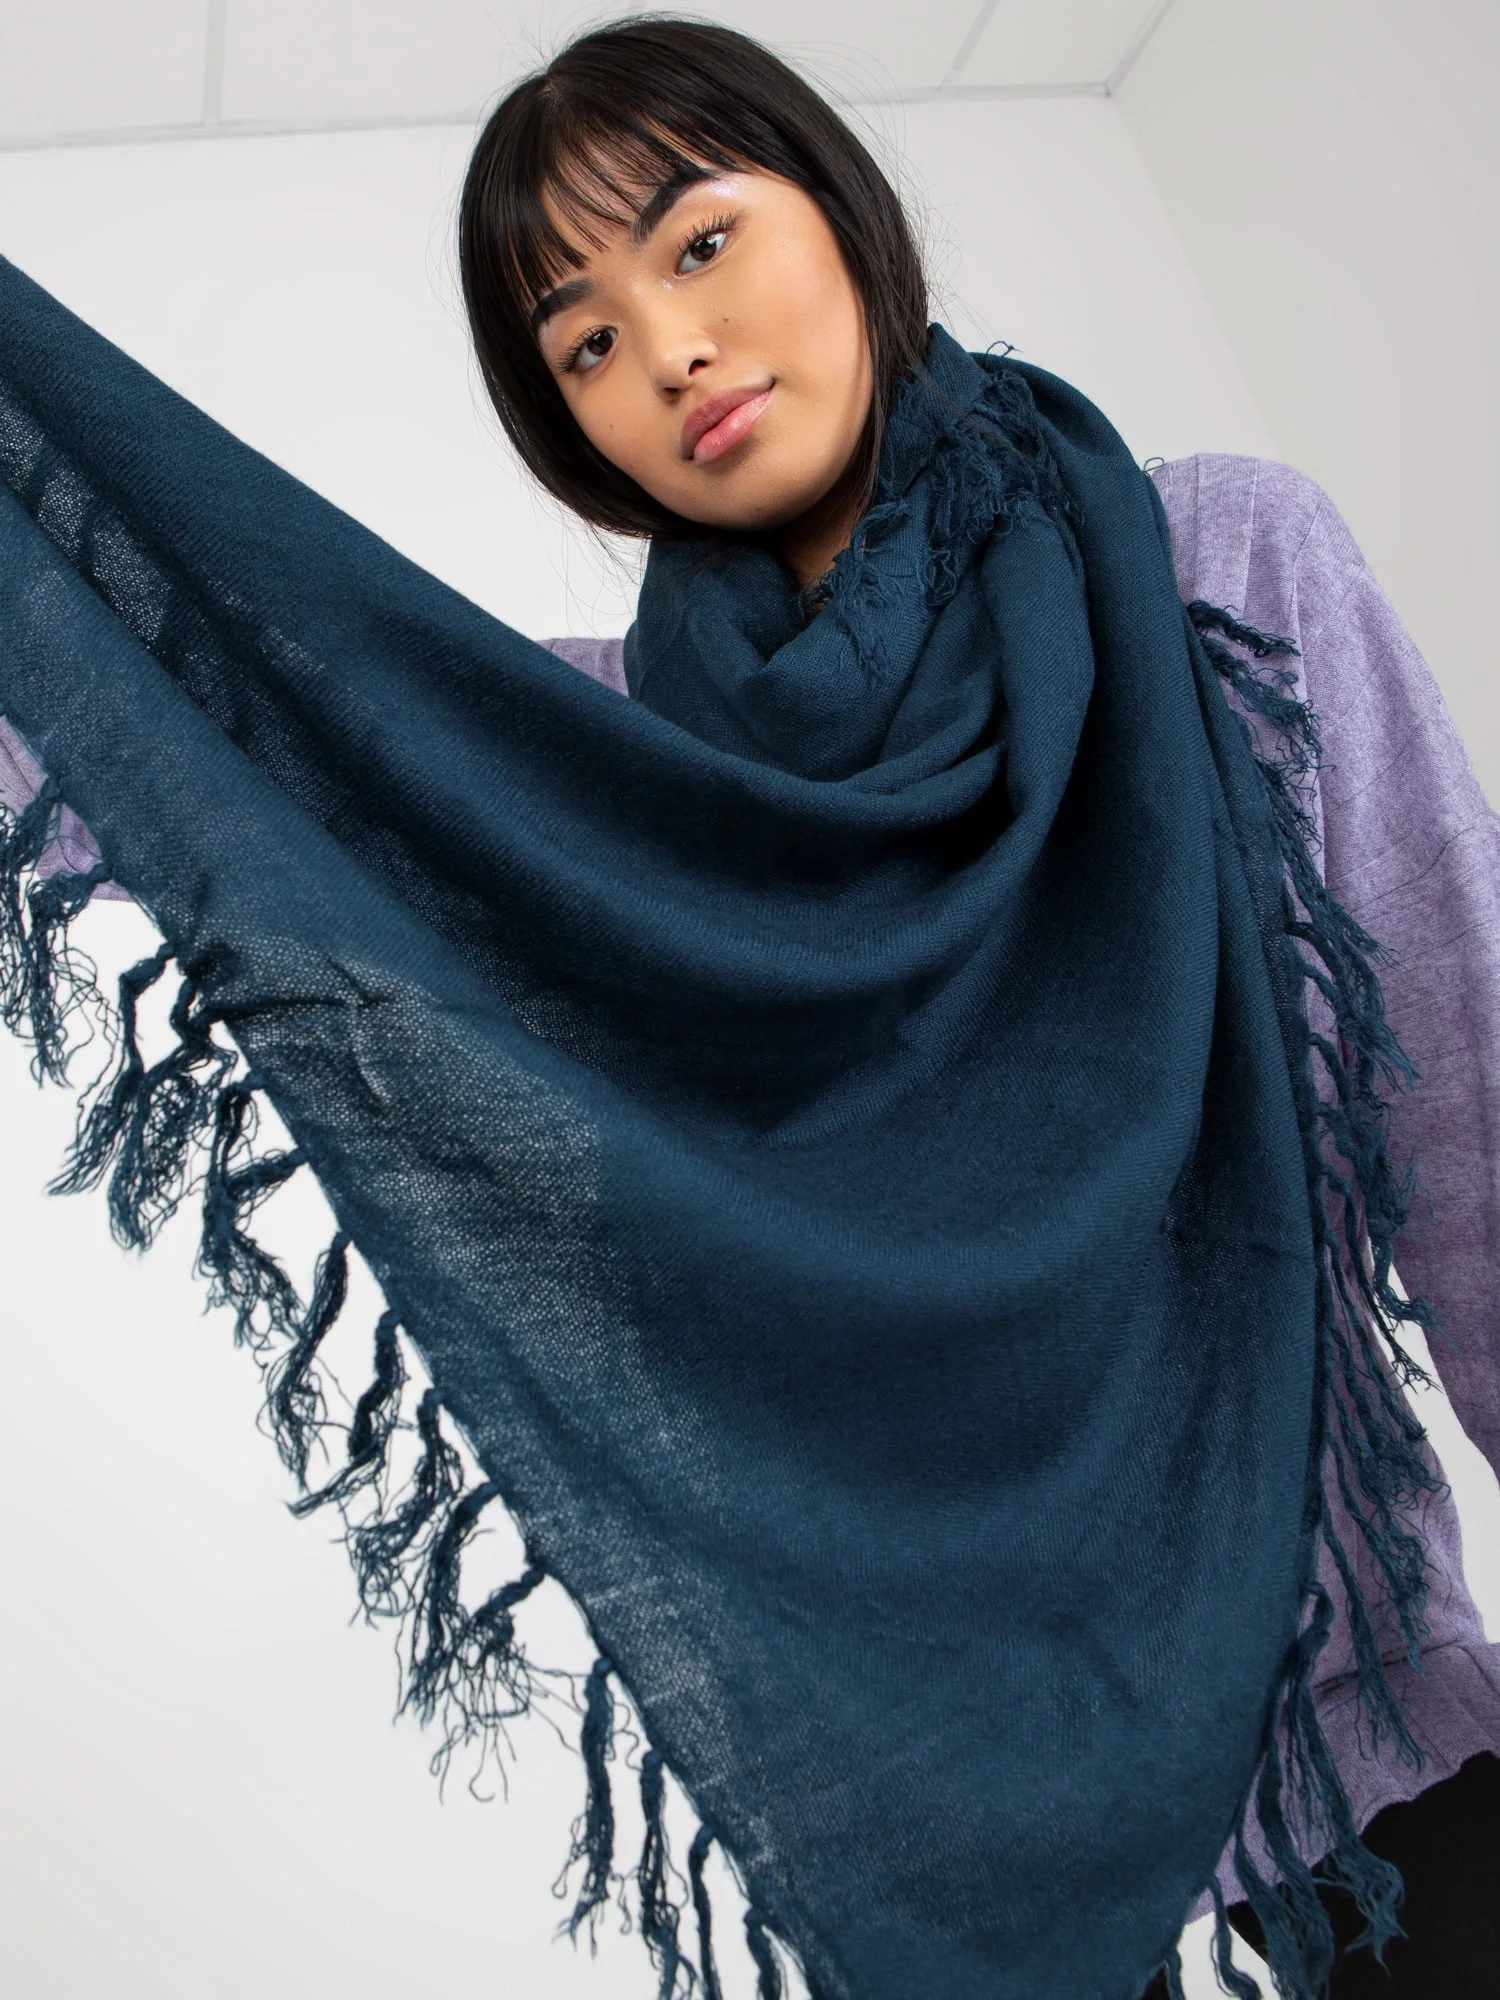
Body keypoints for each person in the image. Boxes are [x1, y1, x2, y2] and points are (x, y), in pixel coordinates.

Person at [0, 16, 1496, 1999]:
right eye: (584, 341)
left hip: (1330, 1680)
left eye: (698, 244)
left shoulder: (1215, 560)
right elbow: (177, 744)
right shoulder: (602, 784)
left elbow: (1473, 1114)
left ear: (840, 210)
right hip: (961, 1774)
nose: (670, 351)